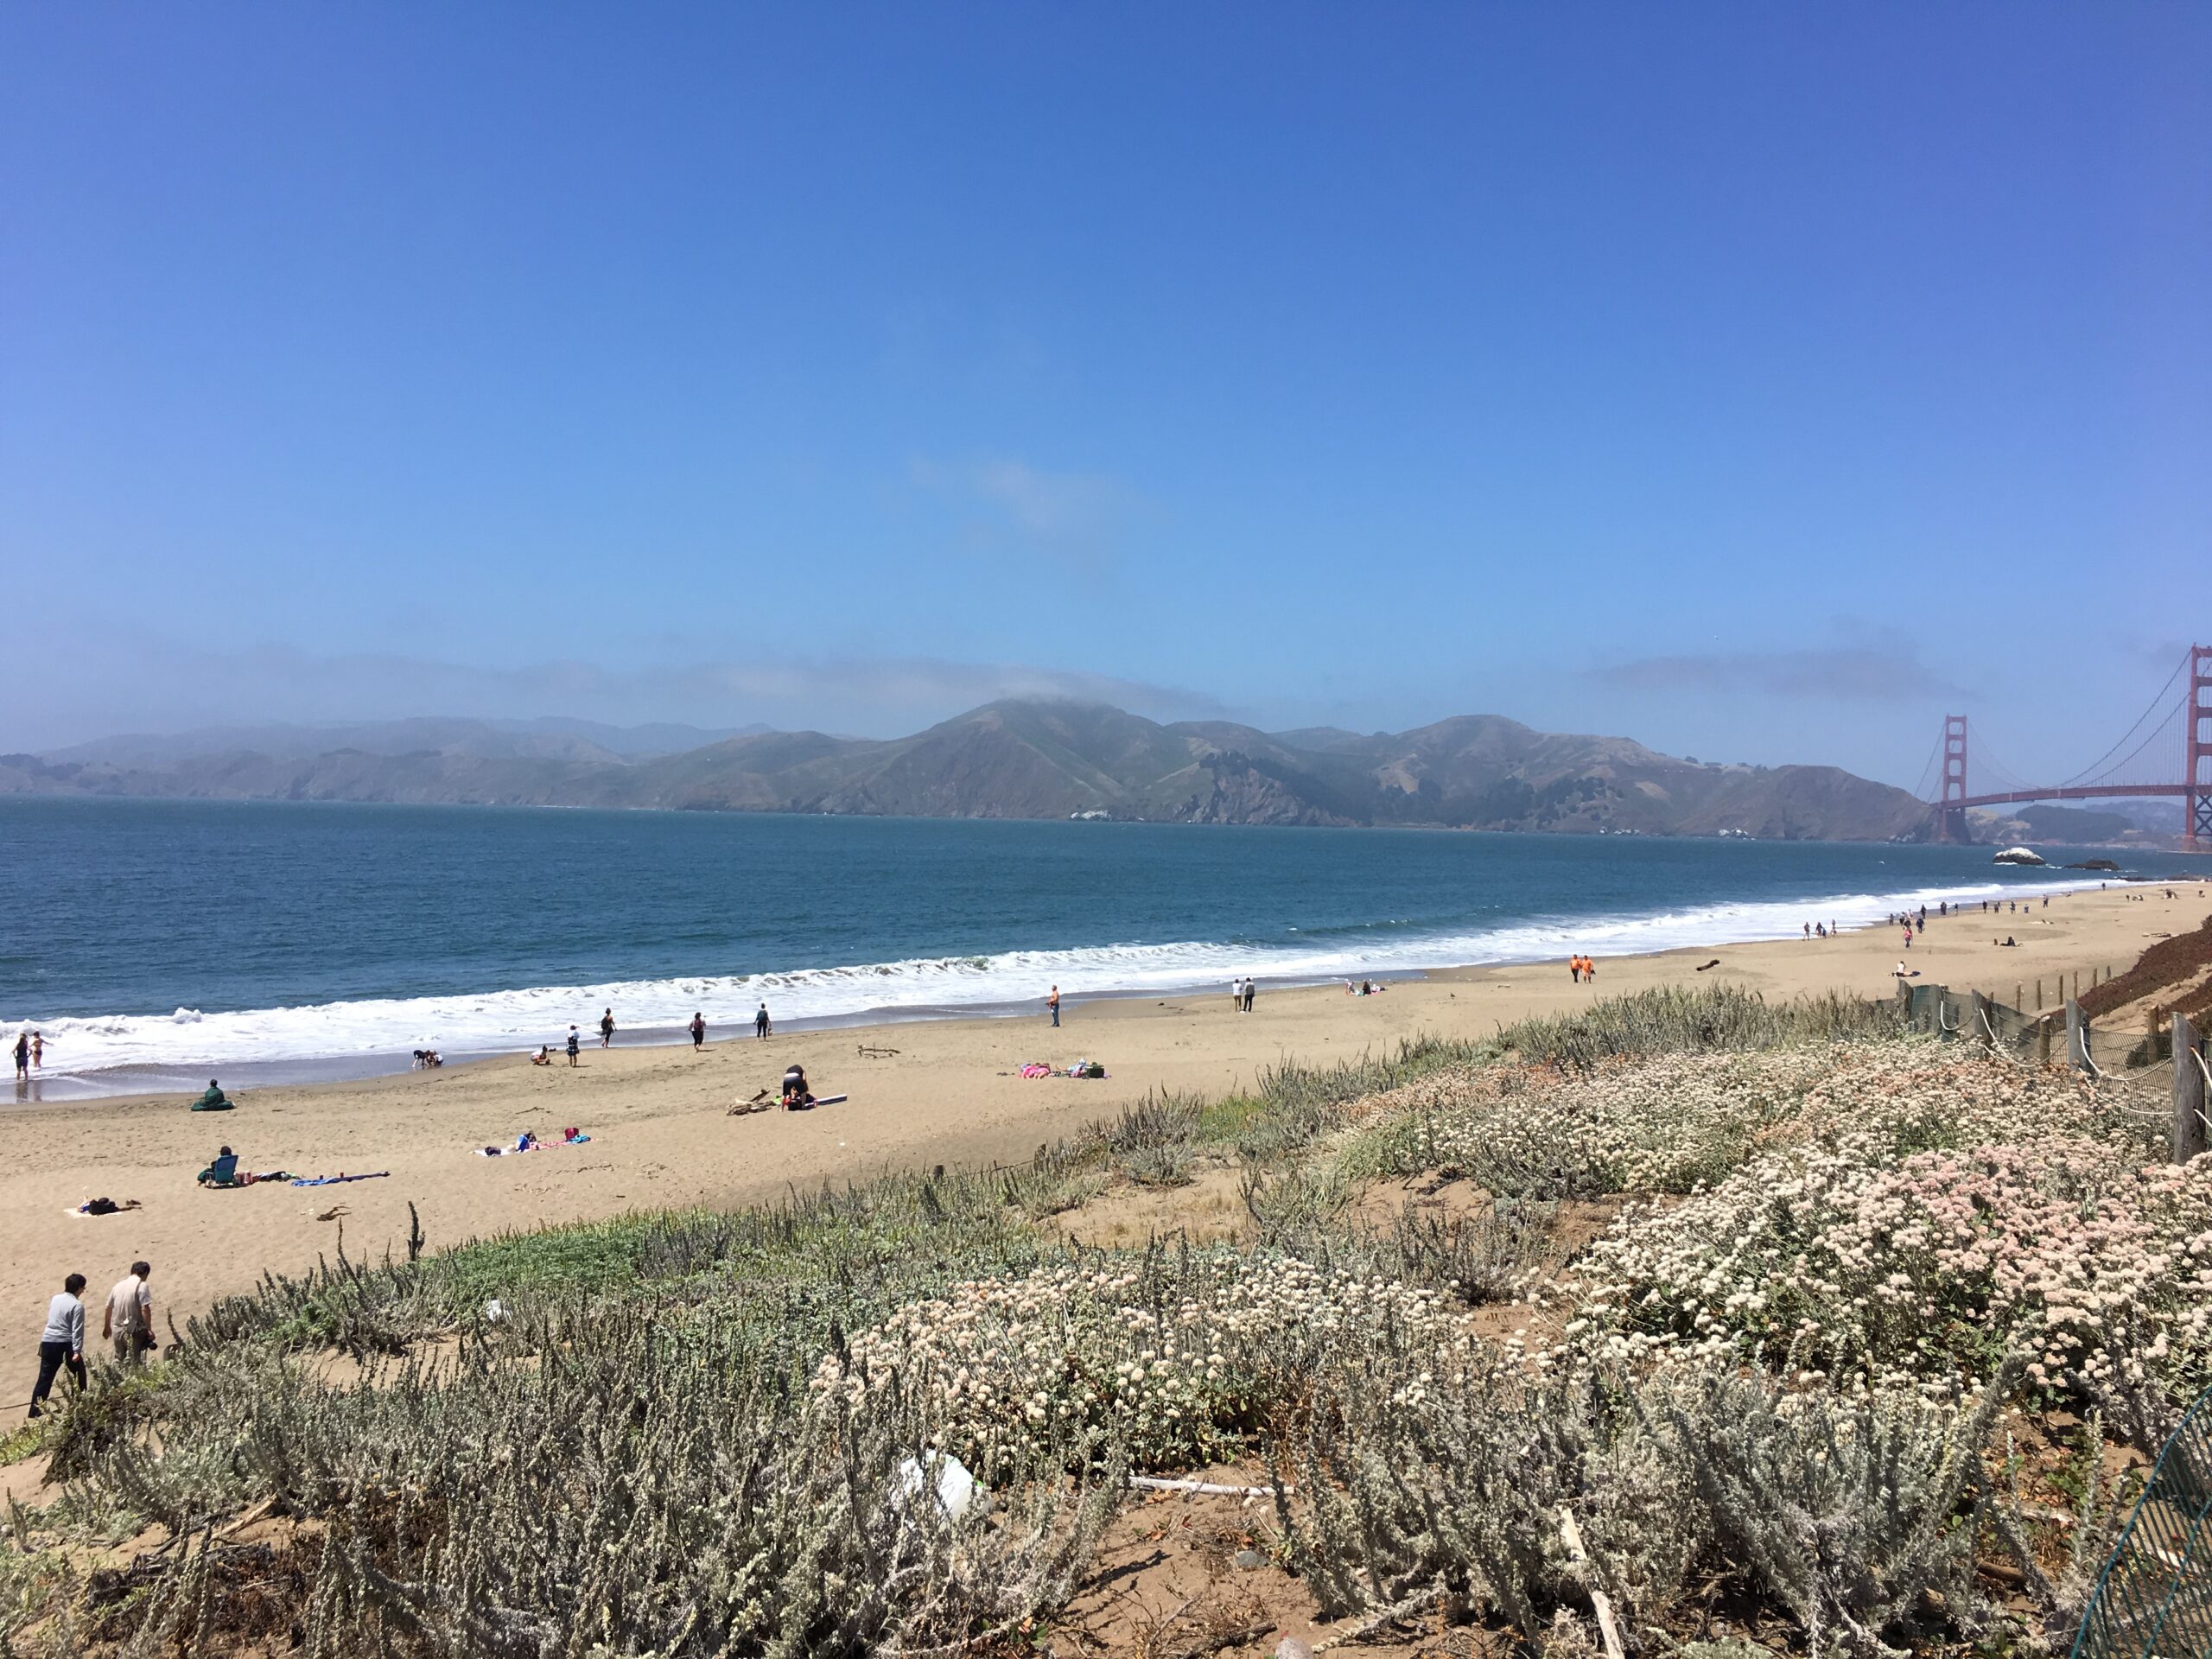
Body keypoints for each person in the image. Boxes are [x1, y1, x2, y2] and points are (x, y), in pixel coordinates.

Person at [30, 1274, 88, 1417]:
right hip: (65, 1344)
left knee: (44, 1378)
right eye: (83, 1288)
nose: (83, 1291)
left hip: (48, 1342)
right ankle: (81, 1404)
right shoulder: (77, 1305)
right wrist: (77, 1350)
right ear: (79, 1288)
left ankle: (35, 1411)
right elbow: (77, 1329)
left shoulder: (56, 1299)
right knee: (78, 1375)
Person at [104, 1262, 152, 1366]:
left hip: (117, 1330)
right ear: (145, 1273)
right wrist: (148, 1329)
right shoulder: (142, 1285)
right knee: (136, 1364)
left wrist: (107, 1327)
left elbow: (108, 1307)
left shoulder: (117, 1286)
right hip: (134, 1330)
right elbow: (145, 1308)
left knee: (120, 1363)